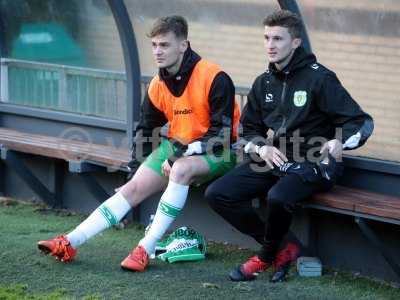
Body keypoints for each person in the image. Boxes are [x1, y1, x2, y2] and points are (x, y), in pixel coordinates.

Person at [37, 15, 239, 272]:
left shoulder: (214, 76)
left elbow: (222, 134)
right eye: (154, 45)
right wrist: (135, 170)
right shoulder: (157, 84)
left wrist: (178, 156)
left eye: (164, 45)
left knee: (180, 169)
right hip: (178, 148)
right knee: (131, 189)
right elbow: (146, 130)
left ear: (183, 45)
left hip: (220, 151)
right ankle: (69, 242)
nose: (157, 51)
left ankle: (145, 248)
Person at [205, 10, 374, 282]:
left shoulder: (320, 78)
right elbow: (249, 129)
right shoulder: (264, 82)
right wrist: (262, 148)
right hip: (277, 158)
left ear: (295, 42)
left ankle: (265, 256)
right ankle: (283, 248)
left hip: (316, 163)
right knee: (218, 193)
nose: (270, 45)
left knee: (278, 197)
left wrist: (339, 141)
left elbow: (360, 121)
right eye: (267, 38)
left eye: (278, 39)